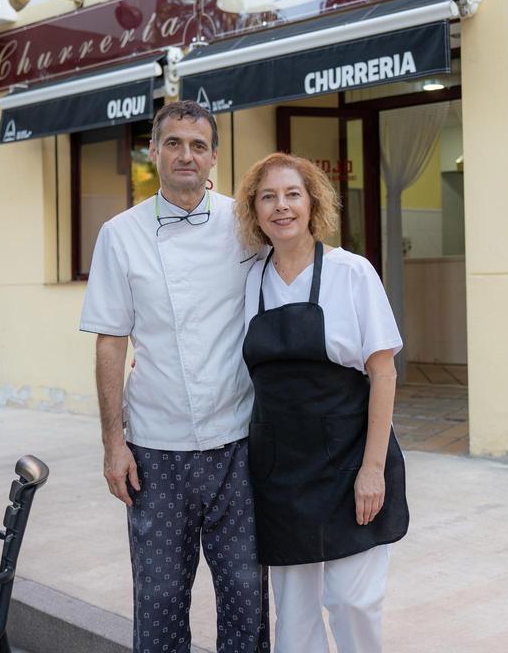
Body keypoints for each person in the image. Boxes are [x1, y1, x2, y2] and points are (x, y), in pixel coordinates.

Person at [79, 100, 269, 653]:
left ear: (214, 157)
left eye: (199, 145)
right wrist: (113, 444)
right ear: (153, 152)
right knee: (159, 599)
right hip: (155, 449)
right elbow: (111, 342)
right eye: (174, 143)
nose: (187, 155)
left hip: (237, 441)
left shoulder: (246, 224)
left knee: (246, 593)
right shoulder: (120, 234)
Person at [234, 152, 409, 653]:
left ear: (313, 204)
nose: (281, 206)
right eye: (268, 197)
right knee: (293, 621)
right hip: (280, 471)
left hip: (350, 461)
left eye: (292, 194)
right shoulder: (251, 280)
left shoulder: (351, 272)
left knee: (353, 602)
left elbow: (383, 372)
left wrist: (372, 469)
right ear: (255, 210)